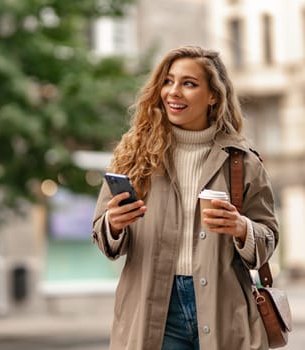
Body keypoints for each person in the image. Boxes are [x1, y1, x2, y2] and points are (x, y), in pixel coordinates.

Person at [91, 46, 279, 350]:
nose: (173, 92)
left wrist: (241, 228)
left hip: (223, 310)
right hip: (154, 311)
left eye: (188, 83)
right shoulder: (133, 155)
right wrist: (113, 224)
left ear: (213, 95)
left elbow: (268, 238)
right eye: (168, 81)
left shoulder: (241, 161)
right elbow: (103, 236)